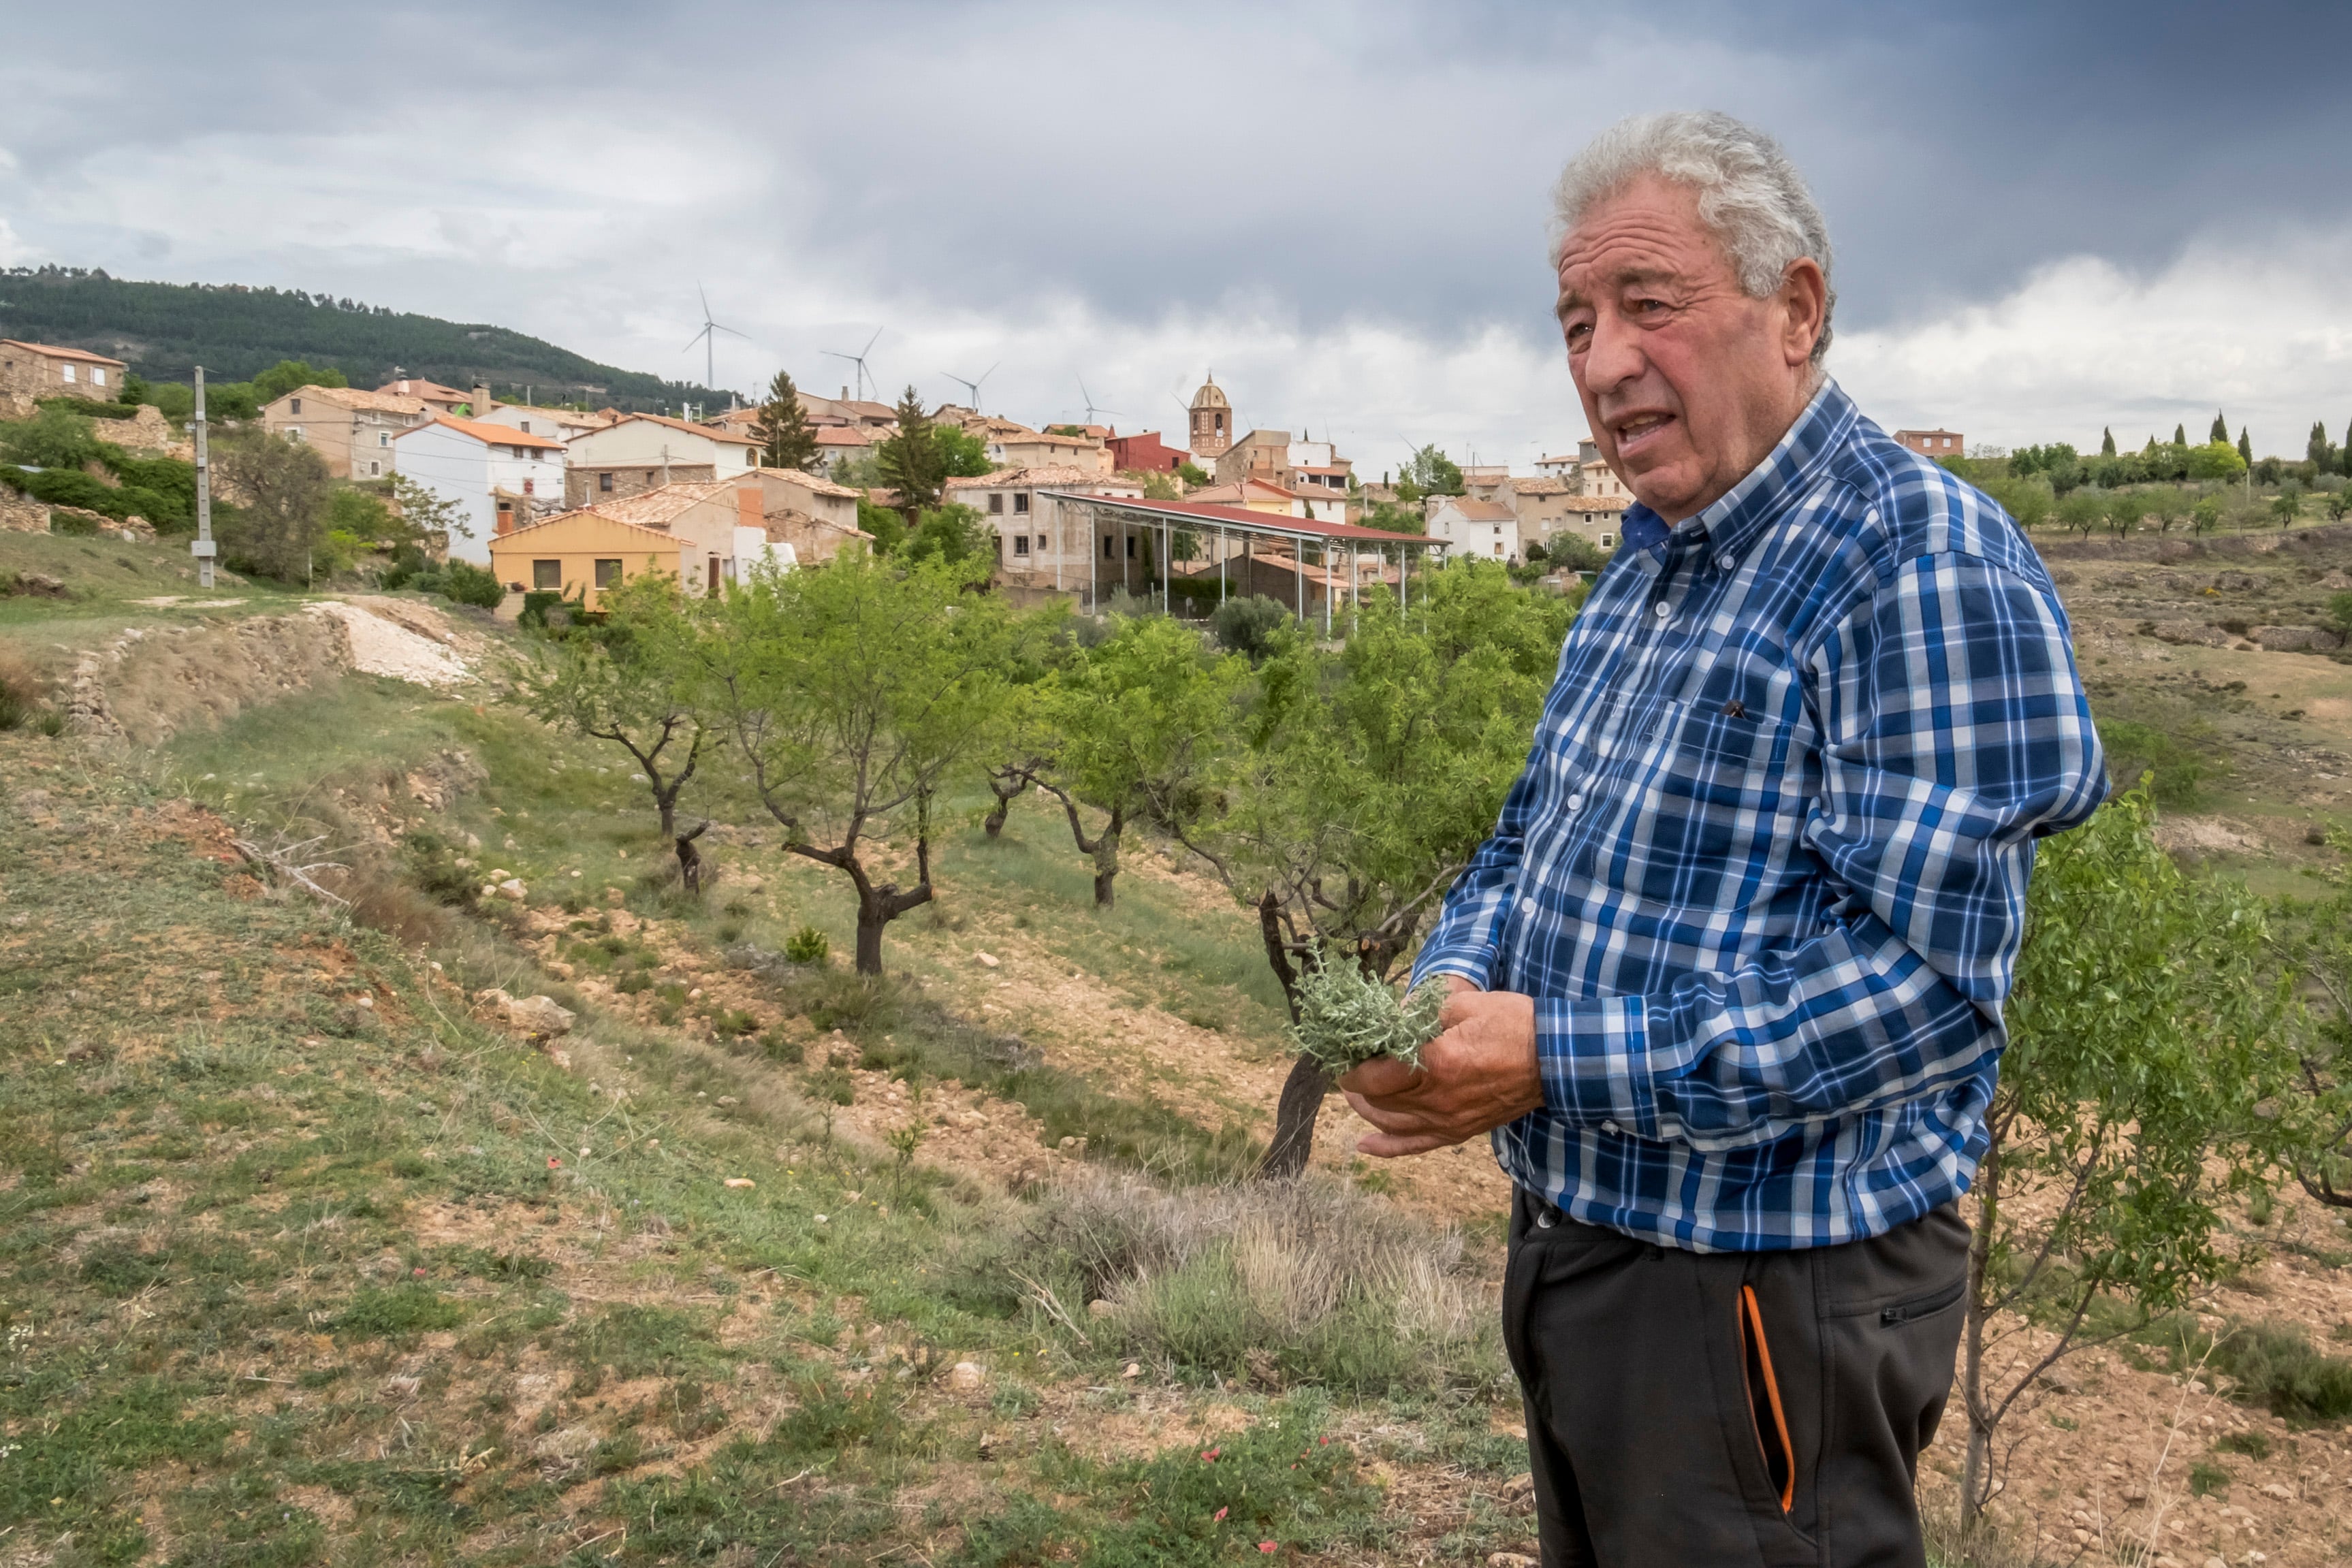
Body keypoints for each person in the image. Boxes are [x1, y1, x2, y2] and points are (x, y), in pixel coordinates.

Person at [1341, 110, 2104, 1568]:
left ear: (1795, 307)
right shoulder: (1644, 574)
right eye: (1573, 323)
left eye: (1647, 305)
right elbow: (1525, 842)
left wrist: (1548, 1056)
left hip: (1770, 1289)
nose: (1600, 363)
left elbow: (1923, 994)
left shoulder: (1915, 560)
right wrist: (1444, 987)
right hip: (1587, 1255)